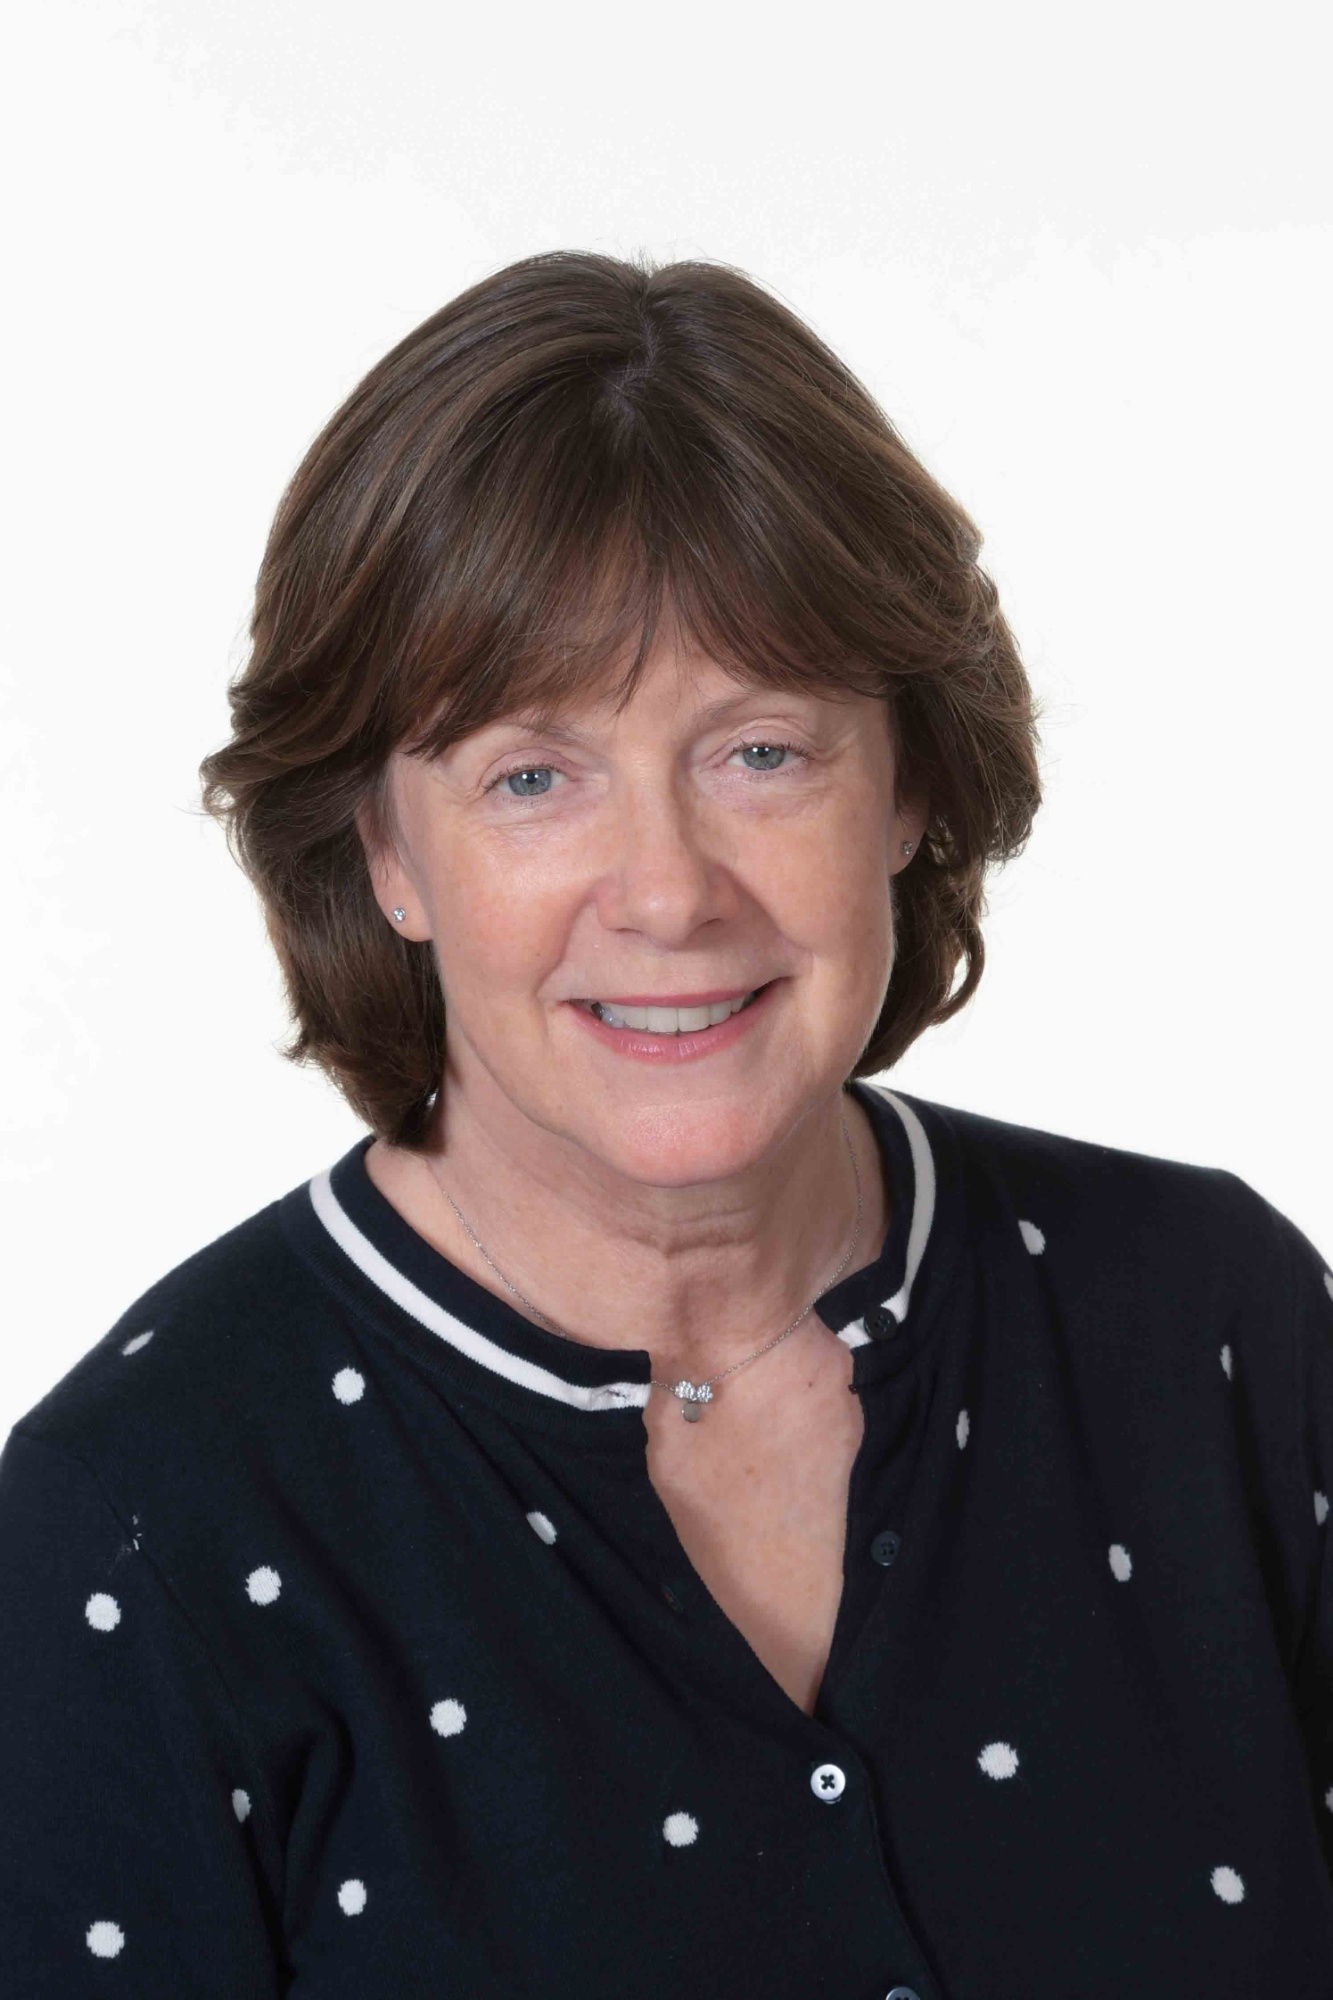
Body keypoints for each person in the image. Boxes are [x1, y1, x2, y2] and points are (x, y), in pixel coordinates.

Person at [1, 250, 1330, 2000]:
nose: (667, 890)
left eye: (759, 751)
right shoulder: (135, 1527)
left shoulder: (1211, 1322)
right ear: (385, 855)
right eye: (530, 777)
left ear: (908, 785)